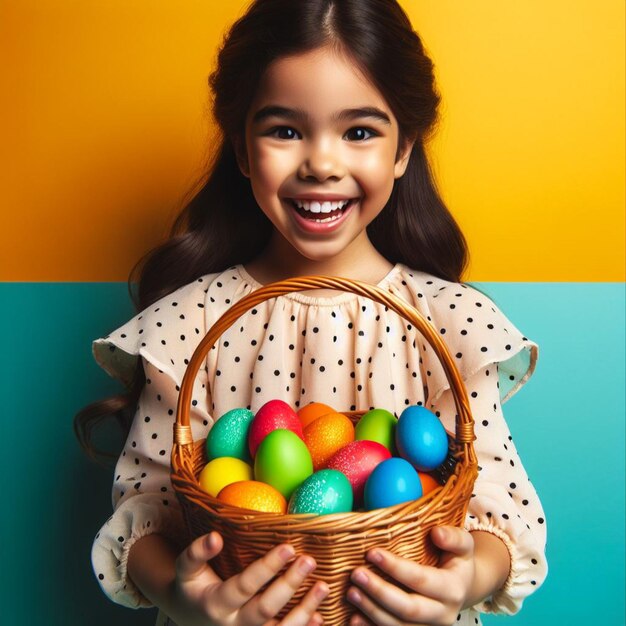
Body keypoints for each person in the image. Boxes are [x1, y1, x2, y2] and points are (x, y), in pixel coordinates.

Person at [75, 1, 548, 624]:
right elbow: (146, 508)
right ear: (242, 149)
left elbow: (498, 507)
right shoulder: (191, 323)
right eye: (285, 130)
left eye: (358, 132)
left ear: (404, 148)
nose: (321, 164)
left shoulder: (448, 321)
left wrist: (465, 579)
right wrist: (180, 594)